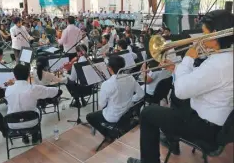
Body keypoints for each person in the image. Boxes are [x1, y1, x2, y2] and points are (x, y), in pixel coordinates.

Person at [127, 9, 233, 163]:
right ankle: (171, 138)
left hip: (205, 127)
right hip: (217, 121)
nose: (202, 38)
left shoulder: (219, 63)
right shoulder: (227, 56)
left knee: (148, 113)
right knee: (175, 104)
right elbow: (202, 78)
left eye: (204, 33)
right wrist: (175, 68)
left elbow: (181, 91)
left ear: (215, 34)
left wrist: (188, 59)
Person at [86, 56, 144, 138]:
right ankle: (115, 130)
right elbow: (141, 94)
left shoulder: (107, 84)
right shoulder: (130, 77)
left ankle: (109, 135)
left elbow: (102, 104)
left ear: (109, 68)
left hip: (113, 117)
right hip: (128, 113)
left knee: (89, 116)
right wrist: (131, 100)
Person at [5, 64, 61, 144]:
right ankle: (35, 136)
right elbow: (52, 91)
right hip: (31, 120)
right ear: (28, 75)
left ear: (14, 75)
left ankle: (25, 137)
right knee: (36, 106)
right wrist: (58, 91)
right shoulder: (33, 88)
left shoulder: (8, 90)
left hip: (12, 123)